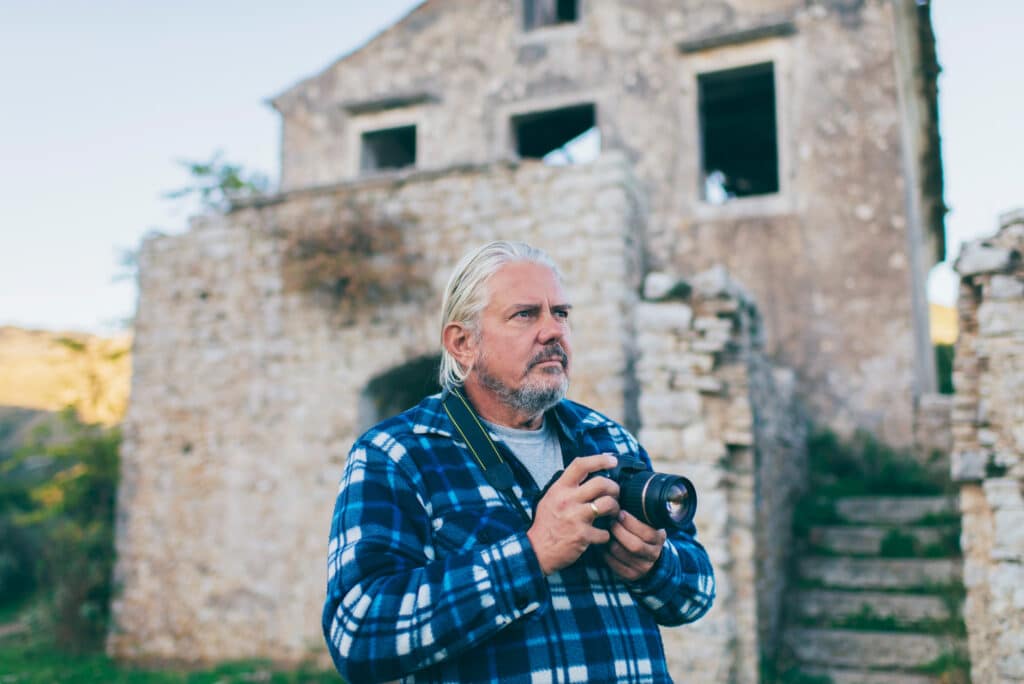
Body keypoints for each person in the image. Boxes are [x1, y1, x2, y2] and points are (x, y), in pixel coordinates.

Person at [323, 241, 715, 683]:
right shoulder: (396, 454)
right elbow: (357, 635)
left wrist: (655, 566)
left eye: (560, 313)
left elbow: (698, 595)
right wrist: (531, 554)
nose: (553, 331)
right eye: (525, 314)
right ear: (462, 343)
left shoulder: (609, 440)